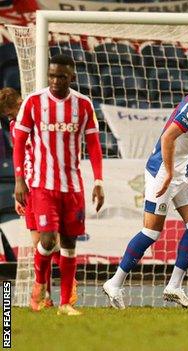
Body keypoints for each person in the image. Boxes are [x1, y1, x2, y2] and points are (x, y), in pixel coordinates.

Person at [102, 60, 188, 309]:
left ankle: (174, 287)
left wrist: (180, 170)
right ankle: (114, 283)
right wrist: (168, 174)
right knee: (151, 232)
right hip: (163, 171)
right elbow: (168, 137)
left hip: (184, 171)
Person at [12, 54, 104, 316]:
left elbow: (94, 146)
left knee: (69, 243)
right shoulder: (33, 102)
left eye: (61, 76)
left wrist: (98, 179)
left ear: (71, 77)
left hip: (72, 187)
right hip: (42, 185)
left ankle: (65, 304)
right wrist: (20, 179)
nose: (55, 80)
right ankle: (40, 282)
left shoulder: (83, 105)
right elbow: (19, 141)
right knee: (48, 239)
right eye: (52, 75)